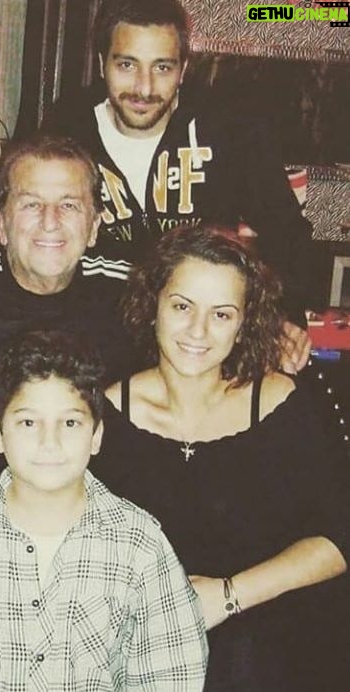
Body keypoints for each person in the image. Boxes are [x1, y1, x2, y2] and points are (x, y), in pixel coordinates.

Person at [0, 329, 208, 690]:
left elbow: (174, 673)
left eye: (70, 423)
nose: (50, 442)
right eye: (28, 423)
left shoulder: (139, 543)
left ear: (96, 435)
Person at [93, 224, 349, 691]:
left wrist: (227, 597)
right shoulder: (103, 416)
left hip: (274, 642)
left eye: (222, 314)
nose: (198, 331)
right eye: (182, 306)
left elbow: (339, 537)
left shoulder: (283, 403)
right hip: (151, 653)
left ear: (244, 323)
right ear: (153, 305)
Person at [42, 0, 314, 370]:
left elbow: (287, 232)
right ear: (103, 63)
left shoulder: (228, 128)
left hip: (200, 332)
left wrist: (285, 316)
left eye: (162, 67)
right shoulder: (67, 127)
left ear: (183, 69)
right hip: (97, 331)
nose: (144, 88)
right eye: (127, 65)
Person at [0, 134, 136, 491]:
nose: (50, 221)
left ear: (94, 226)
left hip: (100, 509)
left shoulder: (132, 296)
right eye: (31, 204)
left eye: (69, 205)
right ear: (0, 224)